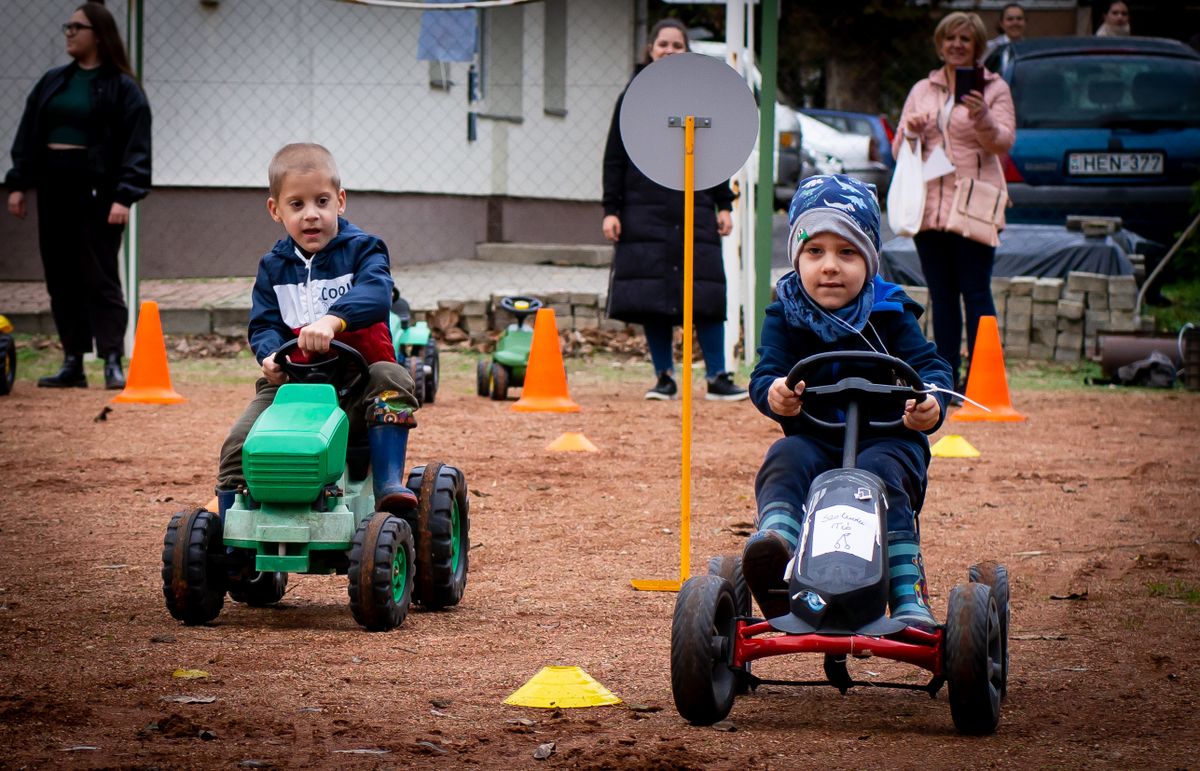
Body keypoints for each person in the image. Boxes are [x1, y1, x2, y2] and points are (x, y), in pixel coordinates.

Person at [742, 174, 953, 629]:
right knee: (784, 454)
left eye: (847, 252)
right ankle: (778, 542)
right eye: (815, 252)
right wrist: (776, 394)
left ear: (871, 261)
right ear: (797, 257)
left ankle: (905, 592)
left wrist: (929, 403)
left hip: (889, 443)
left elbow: (932, 368)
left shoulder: (892, 313)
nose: (830, 267)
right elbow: (765, 374)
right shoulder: (785, 314)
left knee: (879, 476)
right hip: (817, 442)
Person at [214, 143, 420, 520]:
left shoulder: (364, 249)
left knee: (392, 376)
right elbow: (263, 323)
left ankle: (389, 484)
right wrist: (270, 355)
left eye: (321, 202)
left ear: (340, 202)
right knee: (238, 444)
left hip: (358, 385)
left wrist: (332, 320)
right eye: (297, 205)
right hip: (294, 387)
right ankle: (234, 536)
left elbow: (377, 294)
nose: (312, 215)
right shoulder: (273, 268)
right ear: (276, 210)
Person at [5, 2, 151, 390]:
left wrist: (125, 195)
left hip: (98, 192)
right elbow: (28, 133)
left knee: (100, 275)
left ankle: (112, 360)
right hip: (55, 186)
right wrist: (18, 183)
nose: (68, 32)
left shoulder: (123, 88)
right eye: (67, 27)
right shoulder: (54, 81)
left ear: (99, 35)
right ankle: (72, 360)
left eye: (77, 26)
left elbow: (137, 147)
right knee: (61, 275)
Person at [601, 18, 748, 402]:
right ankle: (663, 377)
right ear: (650, 49)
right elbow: (614, 158)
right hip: (642, 209)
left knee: (707, 291)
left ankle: (717, 376)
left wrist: (723, 205)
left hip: (695, 208)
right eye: (662, 44)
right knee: (654, 295)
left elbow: (714, 155)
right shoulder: (632, 97)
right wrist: (611, 209)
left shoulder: (697, 97)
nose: (669, 50)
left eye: (677, 44)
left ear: (686, 51)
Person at [892, 11, 1015, 397]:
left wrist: (982, 118)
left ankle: (982, 382)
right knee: (942, 296)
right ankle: (945, 381)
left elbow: (1003, 143)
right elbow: (898, 150)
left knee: (976, 291)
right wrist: (911, 131)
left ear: (977, 45)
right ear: (940, 43)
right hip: (930, 204)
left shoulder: (993, 89)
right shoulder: (921, 89)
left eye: (965, 39)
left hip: (974, 202)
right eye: (950, 38)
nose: (957, 45)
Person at [983, 3, 1025, 71]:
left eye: (1019, 18)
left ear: (1025, 22)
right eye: (1010, 19)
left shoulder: (1030, 48)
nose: (1015, 23)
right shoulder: (991, 48)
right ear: (1001, 23)